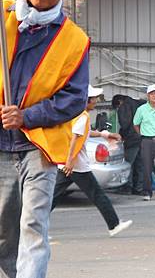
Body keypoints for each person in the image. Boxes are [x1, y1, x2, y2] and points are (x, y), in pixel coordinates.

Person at [0, 0, 89, 278]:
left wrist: (27, 116)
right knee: (5, 232)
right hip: (1, 143)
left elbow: (74, 98)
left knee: (33, 223)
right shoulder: (3, 14)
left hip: (40, 147)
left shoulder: (75, 40)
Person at [52, 85, 133, 236]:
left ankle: (34, 225)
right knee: (97, 194)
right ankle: (114, 224)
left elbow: (88, 133)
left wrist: (106, 135)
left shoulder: (78, 115)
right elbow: (75, 140)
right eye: (94, 99)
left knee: (53, 196)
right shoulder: (82, 117)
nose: (96, 101)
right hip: (77, 165)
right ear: (86, 100)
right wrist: (70, 161)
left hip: (71, 164)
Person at [112, 94, 144, 195]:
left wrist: (121, 135)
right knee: (140, 164)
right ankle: (139, 188)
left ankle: (127, 187)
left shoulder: (124, 106)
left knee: (127, 163)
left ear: (119, 102)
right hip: (143, 137)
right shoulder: (138, 103)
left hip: (132, 138)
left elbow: (125, 124)